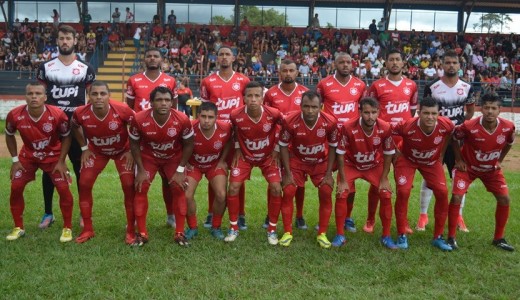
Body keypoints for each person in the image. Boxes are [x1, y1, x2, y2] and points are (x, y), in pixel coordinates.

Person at [36, 25, 96, 229]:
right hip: (53, 127)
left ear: (75, 41)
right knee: (49, 169)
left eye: (68, 38)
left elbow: (92, 97)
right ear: (57, 41)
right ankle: (48, 213)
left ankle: (83, 212)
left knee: (81, 170)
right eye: (61, 38)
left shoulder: (86, 68)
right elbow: (39, 94)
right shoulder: (46, 67)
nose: (65, 42)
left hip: (77, 127)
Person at [5, 82, 73, 242]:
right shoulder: (15, 115)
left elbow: (67, 136)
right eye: (30, 93)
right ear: (25, 96)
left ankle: (67, 228)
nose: (34, 96)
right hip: (28, 155)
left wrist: (62, 161)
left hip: (53, 155)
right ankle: (18, 227)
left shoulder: (57, 114)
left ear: (45, 97)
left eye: (38, 93)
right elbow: (9, 134)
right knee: (16, 186)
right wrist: (15, 160)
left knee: (63, 189)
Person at [447, 93, 515, 251]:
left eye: (493, 108)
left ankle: (499, 239)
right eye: (486, 108)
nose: (490, 111)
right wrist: (458, 159)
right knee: (457, 196)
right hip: (468, 169)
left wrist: (499, 161)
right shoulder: (469, 126)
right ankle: (451, 237)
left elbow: (510, 142)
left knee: (504, 199)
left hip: (491, 170)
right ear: (481, 109)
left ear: (500, 110)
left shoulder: (508, 126)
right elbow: (453, 138)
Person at [70, 81, 136, 244]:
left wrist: (131, 151)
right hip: (97, 151)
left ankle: (131, 230)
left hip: (122, 151)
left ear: (109, 96)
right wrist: (84, 147)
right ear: (88, 96)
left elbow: (137, 127)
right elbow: (74, 125)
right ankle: (87, 229)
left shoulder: (122, 109)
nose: (99, 97)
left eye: (102, 94)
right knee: (84, 183)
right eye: (94, 94)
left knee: (128, 185)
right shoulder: (80, 112)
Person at [129, 86, 194, 246]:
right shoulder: (138, 118)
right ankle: (142, 233)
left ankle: (179, 232)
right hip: (149, 157)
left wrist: (180, 169)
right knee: (141, 187)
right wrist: (141, 169)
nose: (163, 103)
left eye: (167, 100)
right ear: (151, 102)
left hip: (173, 157)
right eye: (159, 100)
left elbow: (188, 145)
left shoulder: (182, 119)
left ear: (172, 102)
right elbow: (134, 144)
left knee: (179, 188)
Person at [418, 50, 475, 232]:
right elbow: (426, 111)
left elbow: (470, 111)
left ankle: (458, 215)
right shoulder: (432, 86)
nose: (451, 65)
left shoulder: (466, 87)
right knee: (430, 174)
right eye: (448, 62)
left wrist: (460, 127)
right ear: (442, 65)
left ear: (459, 65)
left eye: (454, 63)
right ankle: (423, 215)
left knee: (458, 174)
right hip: (437, 138)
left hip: (457, 139)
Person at [391, 96, 454, 251]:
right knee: (403, 191)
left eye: (434, 113)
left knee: (442, 192)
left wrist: (442, 153)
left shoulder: (446, 125)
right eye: (426, 113)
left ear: (439, 113)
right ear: (419, 112)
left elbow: (450, 135)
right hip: (407, 159)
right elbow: (387, 132)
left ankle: (437, 237)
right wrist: (395, 151)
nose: (430, 117)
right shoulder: (407, 125)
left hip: (431, 161)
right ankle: (401, 235)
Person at [125, 47, 178, 228]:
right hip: (143, 137)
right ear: (144, 59)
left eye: (156, 56)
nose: (152, 58)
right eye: (149, 55)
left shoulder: (170, 80)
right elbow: (130, 109)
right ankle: (135, 219)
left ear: (162, 60)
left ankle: (171, 215)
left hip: (165, 138)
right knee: (139, 180)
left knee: (167, 179)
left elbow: (174, 109)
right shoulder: (134, 80)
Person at [279, 91, 338, 248]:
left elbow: (333, 147)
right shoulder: (290, 121)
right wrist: (287, 172)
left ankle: (322, 234)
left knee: (326, 191)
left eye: (314, 107)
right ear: (300, 106)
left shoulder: (330, 122)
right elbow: (283, 146)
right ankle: (287, 232)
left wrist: (329, 173)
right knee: (289, 190)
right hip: (297, 161)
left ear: (321, 107)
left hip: (320, 162)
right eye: (306, 106)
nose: (310, 111)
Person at [226, 81, 283, 244]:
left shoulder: (273, 113)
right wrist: (237, 148)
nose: (253, 99)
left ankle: (272, 229)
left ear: (262, 98)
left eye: (256, 96)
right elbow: (234, 131)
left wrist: (277, 149)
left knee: (276, 188)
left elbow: (284, 129)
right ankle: (233, 227)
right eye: (249, 96)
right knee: (233, 187)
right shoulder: (235, 115)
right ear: (243, 98)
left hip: (267, 157)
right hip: (245, 156)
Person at [335, 97, 397, 249]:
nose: (370, 117)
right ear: (360, 112)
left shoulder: (385, 127)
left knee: (385, 193)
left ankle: (386, 236)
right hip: (351, 164)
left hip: (373, 165)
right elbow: (340, 153)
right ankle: (340, 234)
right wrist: (342, 179)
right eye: (367, 113)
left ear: (379, 112)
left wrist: (384, 178)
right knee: (342, 192)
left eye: (374, 112)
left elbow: (389, 153)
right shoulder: (348, 127)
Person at [367, 49, 417, 234]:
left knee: (404, 185)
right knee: (377, 181)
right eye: (391, 60)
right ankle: (371, 219)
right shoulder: (377, 86)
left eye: (398, 59)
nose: (395, 63)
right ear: (386, 63)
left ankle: (402, 223)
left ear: (403, 63)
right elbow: (369, 112)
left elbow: (412, 113)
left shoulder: (411, 85)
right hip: (382, 140)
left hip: (404, 142)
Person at [200, 46, 250, 229]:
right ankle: (212, 212)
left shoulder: (243, 81)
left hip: (237, 135)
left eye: (227, 54)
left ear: (234, 58)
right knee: (214, 174)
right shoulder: (207, 81)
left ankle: (241, 214)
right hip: (215, 135)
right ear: (216, 58)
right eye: (220, 54)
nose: (224, 57)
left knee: (238, 175)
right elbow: (205, 108)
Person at [316, 52, 366, 232]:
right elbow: (316, 108)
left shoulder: (360, 85)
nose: (345, 65)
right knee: (326, 181)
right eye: (341, 62)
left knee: (349, 185)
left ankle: (347, 217)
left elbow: (364, 111)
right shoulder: (324, 84)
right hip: (329, 139)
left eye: (348, 62)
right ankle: (324, 217)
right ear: (334, 64)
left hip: (350, 141)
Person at [264, 59, 309, 230]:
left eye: (291, 70)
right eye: (285, 70)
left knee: (299, 182)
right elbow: (267, 119)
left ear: (297, 72)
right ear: (279, 73)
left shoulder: (304, 92)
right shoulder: (270, 94)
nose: (288, 74)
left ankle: (299, 215)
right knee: (273, 180)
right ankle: (270, 215)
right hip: (276, 144)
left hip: (298, 145)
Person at [184, 102, 232, 241]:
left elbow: (229, 141)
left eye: (210, 117)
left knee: (222, 194)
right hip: (194, 165)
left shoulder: (225, 128)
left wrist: (223, 160)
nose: (206, 120)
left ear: (216, 117)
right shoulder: (189, 127)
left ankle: (215, 227)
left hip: (213, 165)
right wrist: (186, 162)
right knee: (186, 195)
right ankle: (192, 227)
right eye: (203, 116)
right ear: (198, 116)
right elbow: (179, 144)